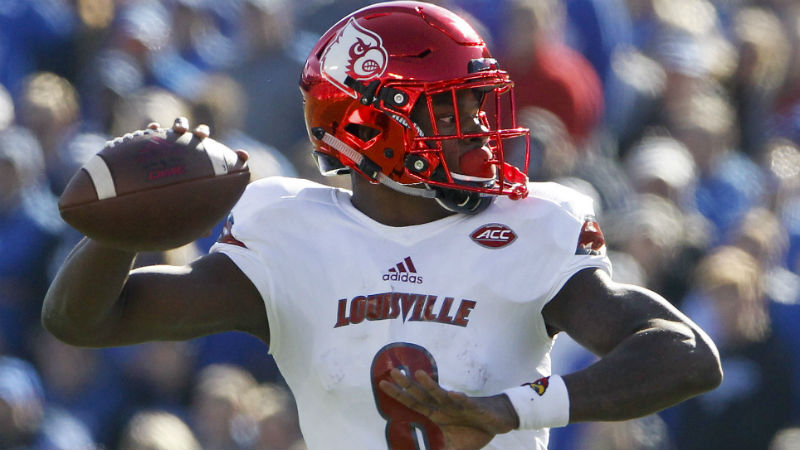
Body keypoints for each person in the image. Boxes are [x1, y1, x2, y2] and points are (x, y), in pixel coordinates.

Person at [42, 3, 722, 450]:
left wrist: (515, 409)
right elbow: (85, 323)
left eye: (480, 106)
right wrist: (122, 224)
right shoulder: (289, 231)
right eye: (453, 110)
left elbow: (686, 355)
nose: (480, 131)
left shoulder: (533, 222)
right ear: (370, 125)